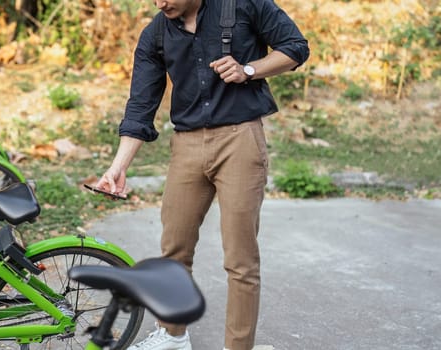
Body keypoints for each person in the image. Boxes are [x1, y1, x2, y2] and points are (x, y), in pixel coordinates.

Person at [94, 0, 310, 349]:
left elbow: (296, 47)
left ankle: (238, 346)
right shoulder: (156, 34)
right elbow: (140, 105)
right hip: (187, 145)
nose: (160, 2)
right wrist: (118, 167)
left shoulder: (244, 5)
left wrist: (249, 70)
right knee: (174, 248)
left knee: (240, 258)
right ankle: (173, 336)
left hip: (240, 139)